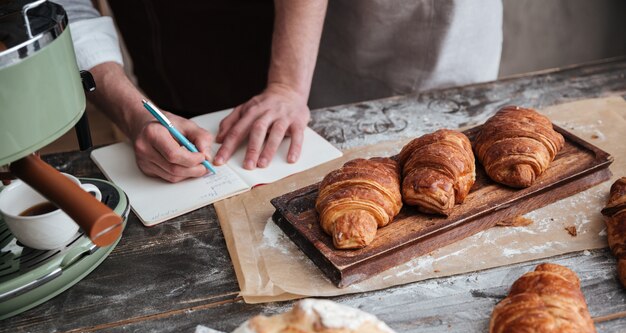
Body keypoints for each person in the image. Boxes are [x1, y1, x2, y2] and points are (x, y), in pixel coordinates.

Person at [59, 0, 502, 182]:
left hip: (315, 39)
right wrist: (133, 109)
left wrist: (287, 82)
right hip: (163, 57)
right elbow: (56, 8)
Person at [58, 0, 327, 182]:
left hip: (286, 47)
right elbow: (64, 8)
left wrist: (287, 86)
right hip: (164, 72)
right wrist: (133, 114)